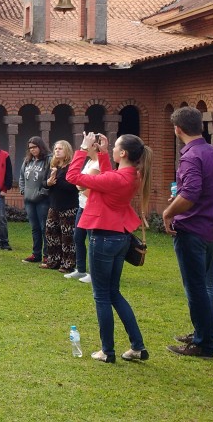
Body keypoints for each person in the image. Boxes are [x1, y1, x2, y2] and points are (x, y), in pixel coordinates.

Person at [66, 131, 151, 364]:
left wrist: (83, 149)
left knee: (102, 296)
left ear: (123, 153)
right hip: (120, 236)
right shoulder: (131, 174)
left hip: (103, 238)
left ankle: (107, 351)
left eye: (115, 147)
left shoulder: (117, 179)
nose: (111, 148)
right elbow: (110, 176)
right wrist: (103, 154)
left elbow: (73, 177)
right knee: (113, 292)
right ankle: (137, 346)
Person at [163, 106, 213, 360]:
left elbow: (190, 193)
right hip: (212, 229)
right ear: (200, 127)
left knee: (195, 287)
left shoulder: (191, 157)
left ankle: (204, 344)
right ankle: (201, 333)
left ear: (177, 129)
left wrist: (168, 212)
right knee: (203, 285)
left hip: (192, 229)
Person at [41, 140, 79, 272]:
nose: (57, 151)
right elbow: (44, 183)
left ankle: (68, 263)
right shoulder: (53, 166)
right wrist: (49, 182)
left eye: (60, 149)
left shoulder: (71, 167)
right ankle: (53, 261)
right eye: (55, 148)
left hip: (68, 207)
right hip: (54, 206)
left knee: (67, 236)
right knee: (51, 233)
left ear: (67, 151)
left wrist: (55, 180)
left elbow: (72, 187)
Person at [65, 159, 101, 283]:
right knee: (78, 237)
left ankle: (93, 273)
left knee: (92, 241)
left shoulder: (97, 164)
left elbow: (81, 184)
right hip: (82, 205)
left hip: (91, 207)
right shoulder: (90, 161)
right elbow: (79, 183)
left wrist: (79, 184)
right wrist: (80, 184)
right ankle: (80, 269)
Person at [20, 136, 52, 263]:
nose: (32, 150)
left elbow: (50, 180)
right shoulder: (28, 161)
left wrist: (42, 193)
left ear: (41, 146)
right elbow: (21, 177)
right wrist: (22, 190)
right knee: (35, 228)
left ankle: (47, 255)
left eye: (35, 147)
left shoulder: (48, 160)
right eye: (30, 148)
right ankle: (36, 254)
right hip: (29, 200)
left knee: (44, 227)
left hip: (42, 200)